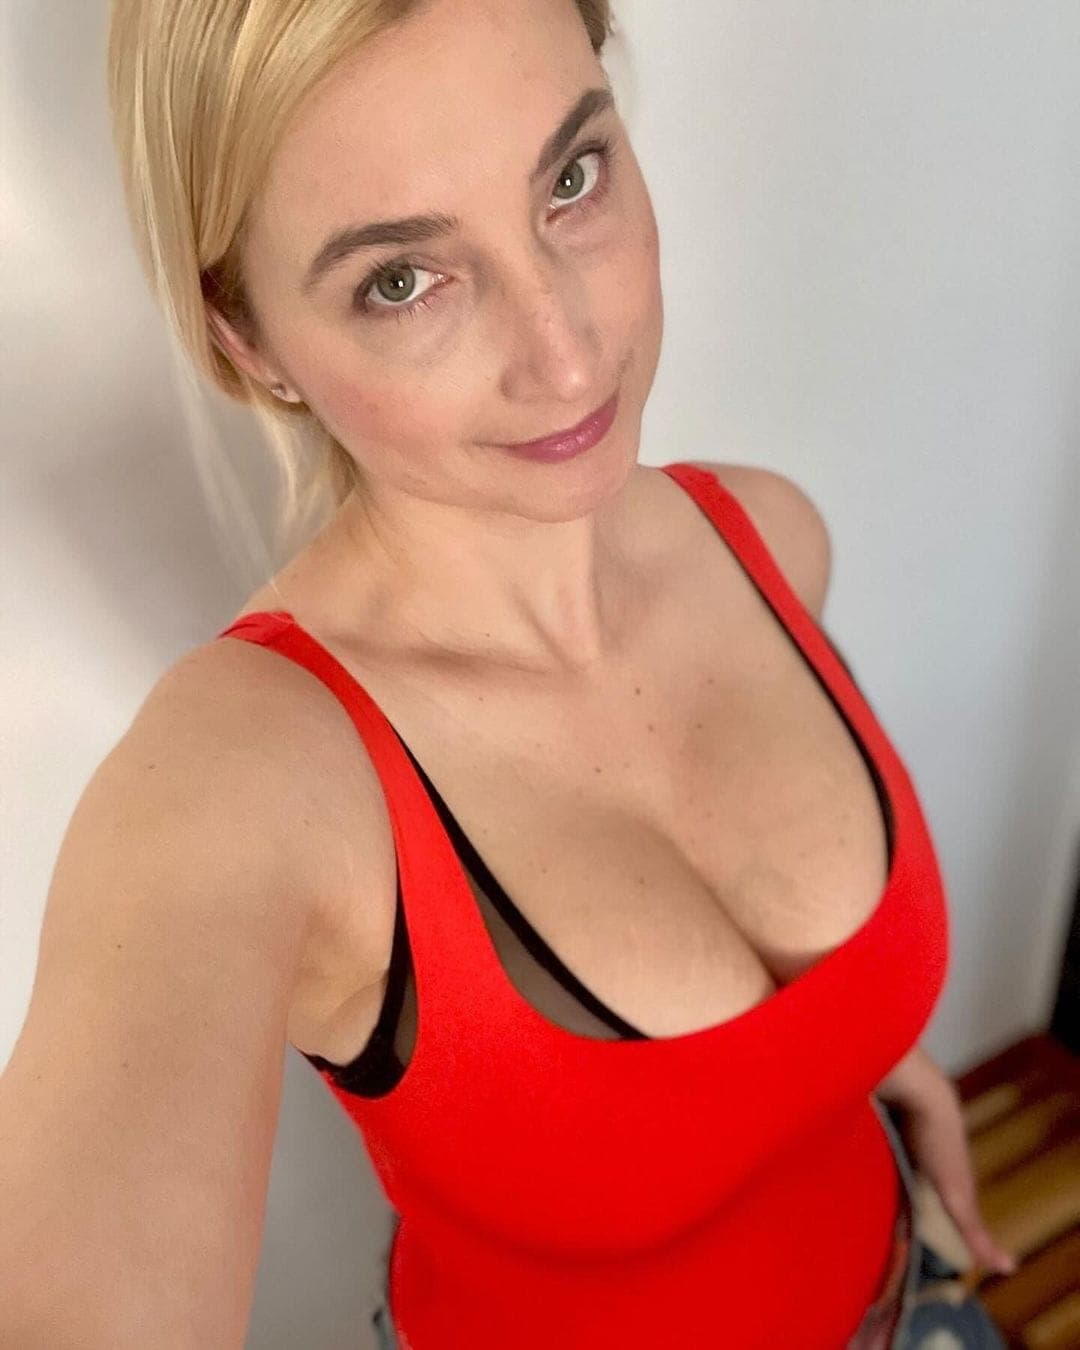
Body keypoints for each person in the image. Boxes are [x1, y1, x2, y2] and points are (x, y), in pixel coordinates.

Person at [0, 0, 1016, 1346]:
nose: (569, 353)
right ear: (245, 338)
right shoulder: (246, 785)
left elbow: (755, 1032)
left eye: (571, 178)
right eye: (401, 279)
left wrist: (858, 1064)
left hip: (912, 1285)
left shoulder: (769, 537)